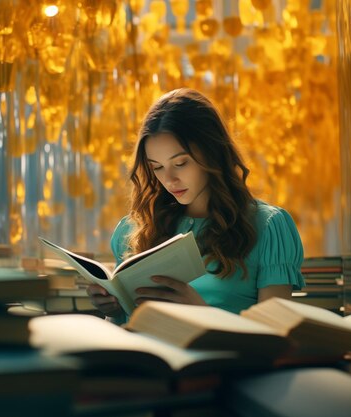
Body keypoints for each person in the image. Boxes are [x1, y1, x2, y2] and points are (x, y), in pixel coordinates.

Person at [87, 88, 304, 323]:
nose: (169, 180)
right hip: (146, 358)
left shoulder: (268, 226)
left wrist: (203, 314)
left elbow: (276, 340)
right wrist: (115, 311)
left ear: (213, 153)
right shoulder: (133, 230)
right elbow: (123, 335)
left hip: (223, 359)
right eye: (157, 167)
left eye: (180, 163)